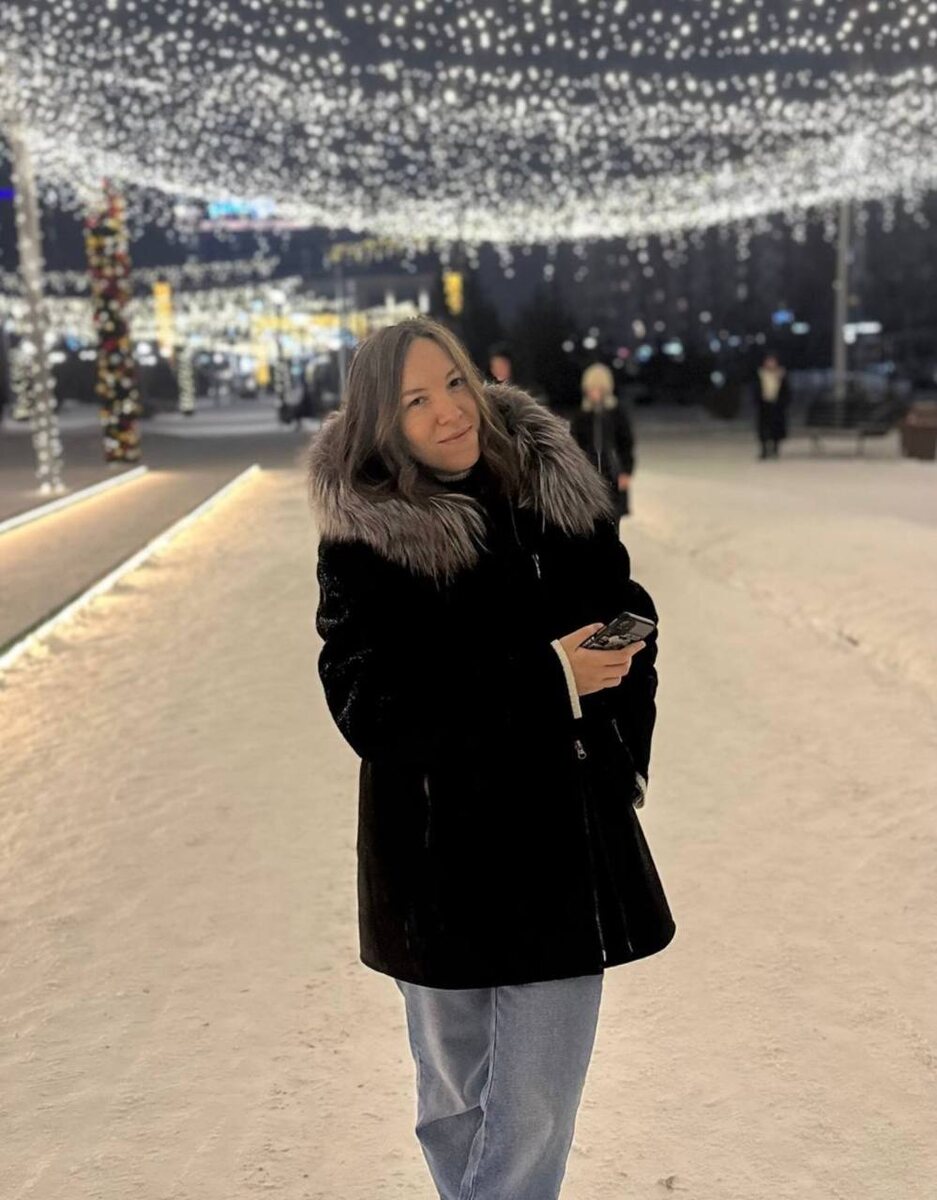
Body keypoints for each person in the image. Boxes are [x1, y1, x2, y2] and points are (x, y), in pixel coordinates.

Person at [307, 317, 675, 1200]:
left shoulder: (555, 493)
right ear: (381, 424)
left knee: (537, 1104)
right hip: (438, 859)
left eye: (454, 383)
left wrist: (618, 752)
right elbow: (370, 706)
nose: (448, 412)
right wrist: (548, 676)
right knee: (453, 1102)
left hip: (559, 848)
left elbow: (626, 618)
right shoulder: (365, 537)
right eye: (415, 401)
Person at [569, 362, 636, 518]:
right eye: (591, 388)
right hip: (588, 478)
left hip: (613, 475)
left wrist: (626, 471)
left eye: (599, 388)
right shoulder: (582, 415)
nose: (594, 392)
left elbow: (626, 444)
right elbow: (573, 445)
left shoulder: (616, 413)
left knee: (612, 519)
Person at [753, 352, 791, 459]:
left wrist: (783, 402)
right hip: (764, 406)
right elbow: (756, 390)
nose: (770, 364)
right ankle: (764, 450)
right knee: (763, 428)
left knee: (776, 428)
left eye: (772, 361)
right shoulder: (760, 374)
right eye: (768, 361)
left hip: (777, 406)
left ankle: (775, 449)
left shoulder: (781, 375)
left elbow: (786, 391)